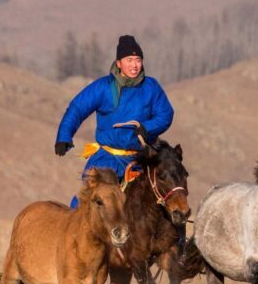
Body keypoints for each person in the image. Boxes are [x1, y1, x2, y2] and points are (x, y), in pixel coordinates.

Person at [55, 35, 174, 208]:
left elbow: (165, 114)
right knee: (89, 203)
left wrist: (147, 128)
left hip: (138, 159)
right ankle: (74, 230)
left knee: (163, 201)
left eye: (138, 60)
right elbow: (77, 108)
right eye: (129, 60)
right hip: (106, 158)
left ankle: (176, 235)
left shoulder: (151, 87)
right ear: (119, 63)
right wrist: (64, 136)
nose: (134, 65)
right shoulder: (103, 87)